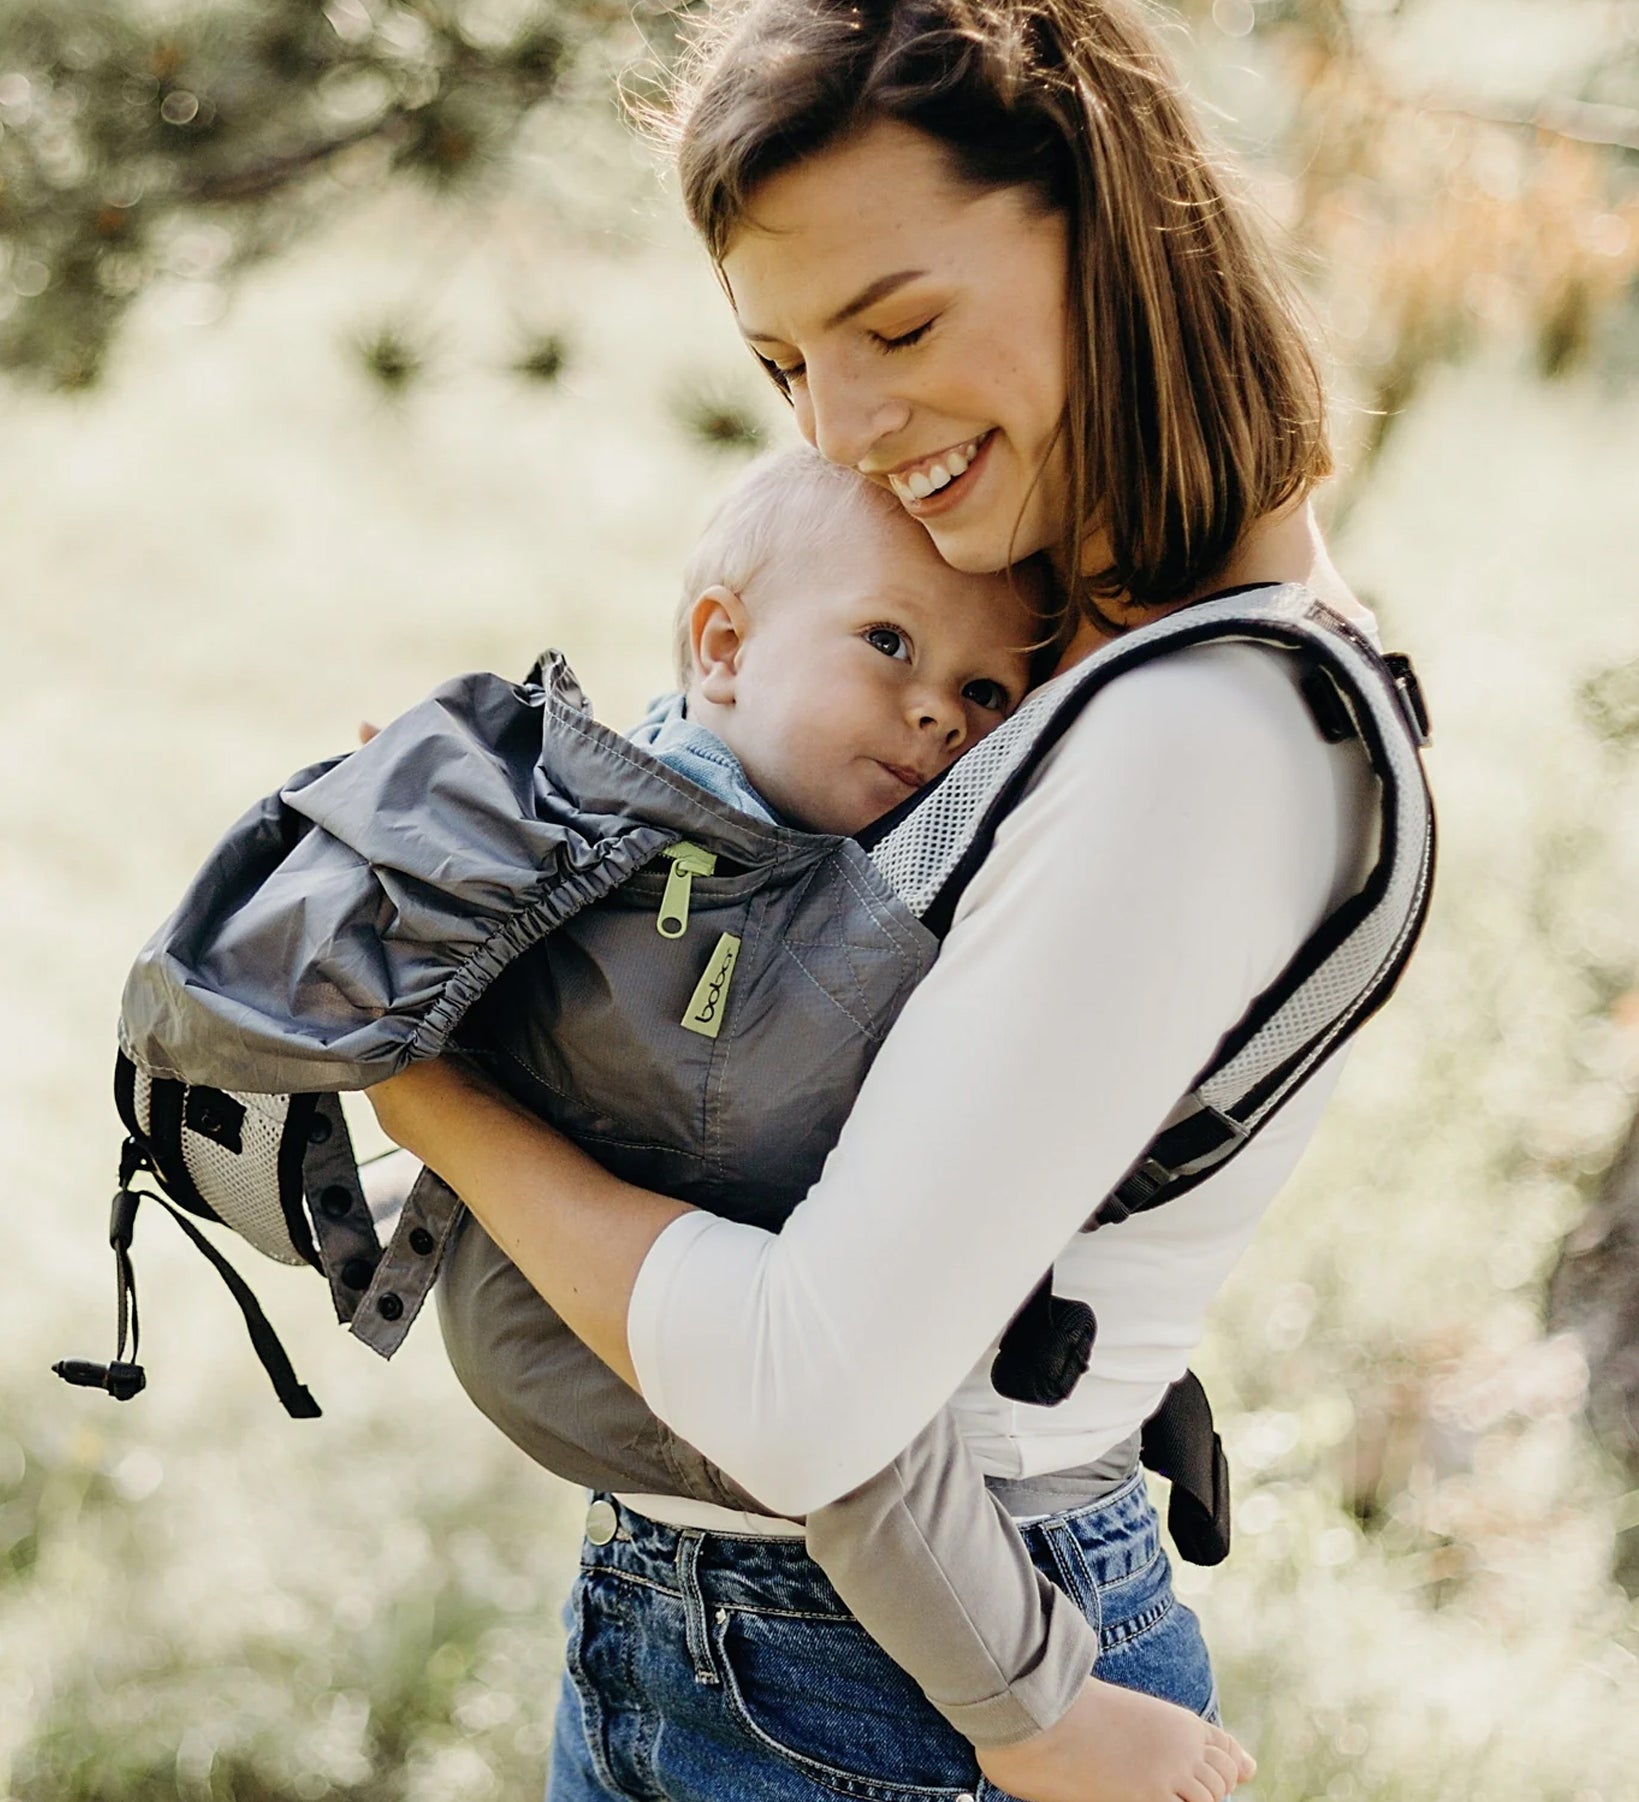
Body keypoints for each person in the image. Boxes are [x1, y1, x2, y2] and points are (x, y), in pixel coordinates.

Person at [368, 1, 1392, 1798]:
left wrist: (416, 1079)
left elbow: (803, 1394)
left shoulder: (1203, 735)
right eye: (784, 369)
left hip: (903, 1691)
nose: (843, 427)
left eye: (897, 324)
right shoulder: (1096, 639)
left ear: (1116, 227)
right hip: (742, 1636)